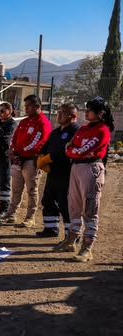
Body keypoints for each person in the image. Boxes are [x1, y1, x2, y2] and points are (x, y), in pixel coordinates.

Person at [56, 97, 112, 262]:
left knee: (90, 208)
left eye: (90, 109)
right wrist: (76, 151)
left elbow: (79, 150)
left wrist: (76, 151)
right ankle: (71, 240)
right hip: (77, 167)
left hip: (91, 168)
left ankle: (87, 247)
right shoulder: (84, 128)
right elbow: (70, 148)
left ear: (100, 113)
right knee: (74, 205)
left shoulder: (103, 130)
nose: (86, 112)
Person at [0, 95, 51, 227]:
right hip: (18, 160)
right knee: (16, 189)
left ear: (37, 106)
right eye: (25, 106)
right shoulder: (24, 122)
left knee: (32, 190)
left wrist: (19, 153)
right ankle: (11, 214)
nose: (25, 108)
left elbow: (37, 143)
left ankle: (30, 218)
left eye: (28, 106)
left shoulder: (42, 123)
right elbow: (15, 139)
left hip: (32, 161)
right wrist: (12, 151)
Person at [35, 103, 80, 238]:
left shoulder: (76, 131)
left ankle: (70, 235)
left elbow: (67, 151)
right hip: (53, 173)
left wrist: (50, 157)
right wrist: (41, 158)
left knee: (65, 204)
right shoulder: (55, 132)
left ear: (73, 115)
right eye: (59, 111)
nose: (59, 114)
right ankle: (50, 229)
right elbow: (45, 148)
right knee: (48, 200)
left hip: (67, 173)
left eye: (63, 112)